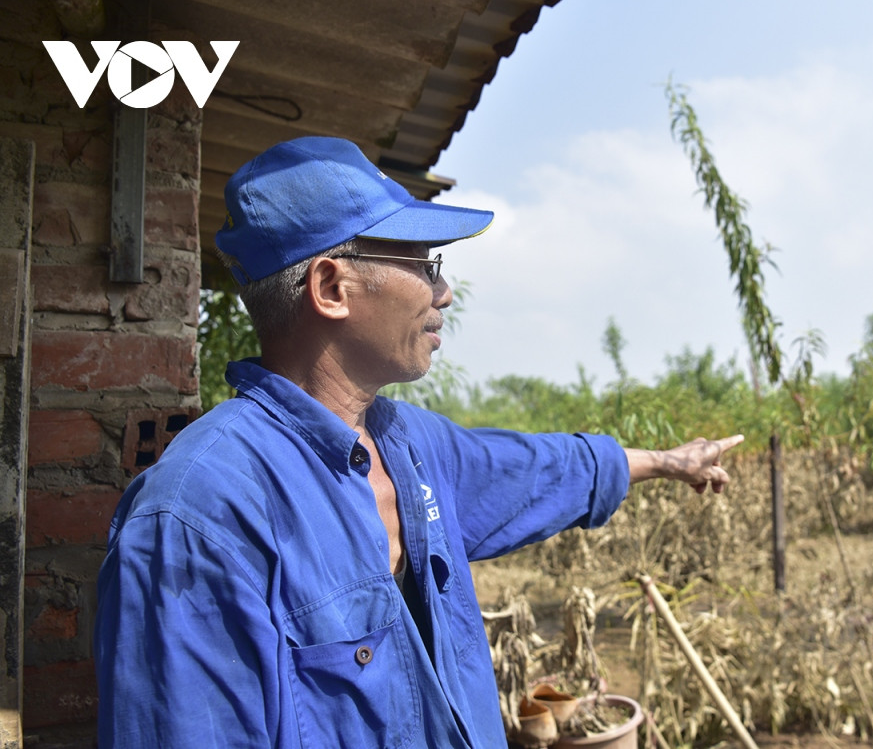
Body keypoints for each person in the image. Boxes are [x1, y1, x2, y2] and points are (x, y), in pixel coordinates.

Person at [93, 136, 743, 748]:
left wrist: (666, 462)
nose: (445, 292)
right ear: (331, 287)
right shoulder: (197, 517)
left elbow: (542, 469)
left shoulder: (410, 445)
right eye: (423, 263)